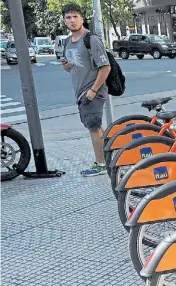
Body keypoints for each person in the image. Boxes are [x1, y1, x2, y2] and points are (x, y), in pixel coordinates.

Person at [61, 3, 111, 176]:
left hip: (92, 91)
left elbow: (105, 68)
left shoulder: (92, 39)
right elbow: (69, 68)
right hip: (80, 91)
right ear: (64, 21)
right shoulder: (67, 42)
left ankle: (100, 163)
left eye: (75, 16)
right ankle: (113, 155)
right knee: (96, 126)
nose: (72, 20)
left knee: (93, 127)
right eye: (68, 17)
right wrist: (67, 65)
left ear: (82, 18)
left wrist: (93, 91)